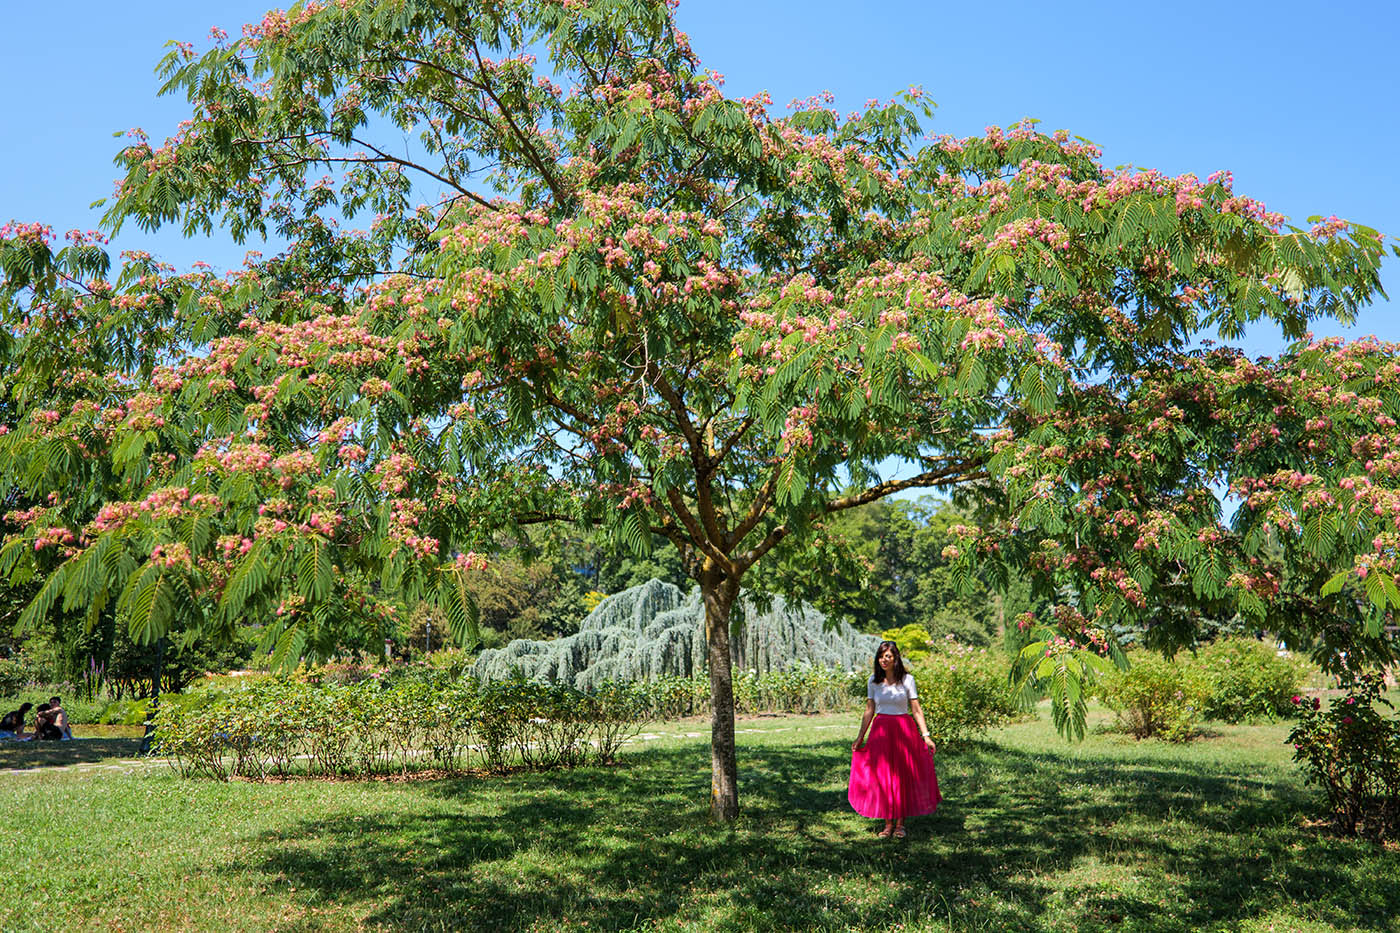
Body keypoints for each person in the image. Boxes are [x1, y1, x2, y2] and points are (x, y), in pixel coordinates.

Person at [849, 640, 941, 839]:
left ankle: (900, 825)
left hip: (903, 731)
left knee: (901, 775)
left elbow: (916, 709)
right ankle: (888, 824)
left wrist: (926, 736)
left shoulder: (907, 680)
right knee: (883, 775)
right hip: (880, 731)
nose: (884, 660)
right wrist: (860, 737)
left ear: (895, 658)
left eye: (888, 656)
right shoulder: (873, 680)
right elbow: (869, 711)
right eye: (881, 656)